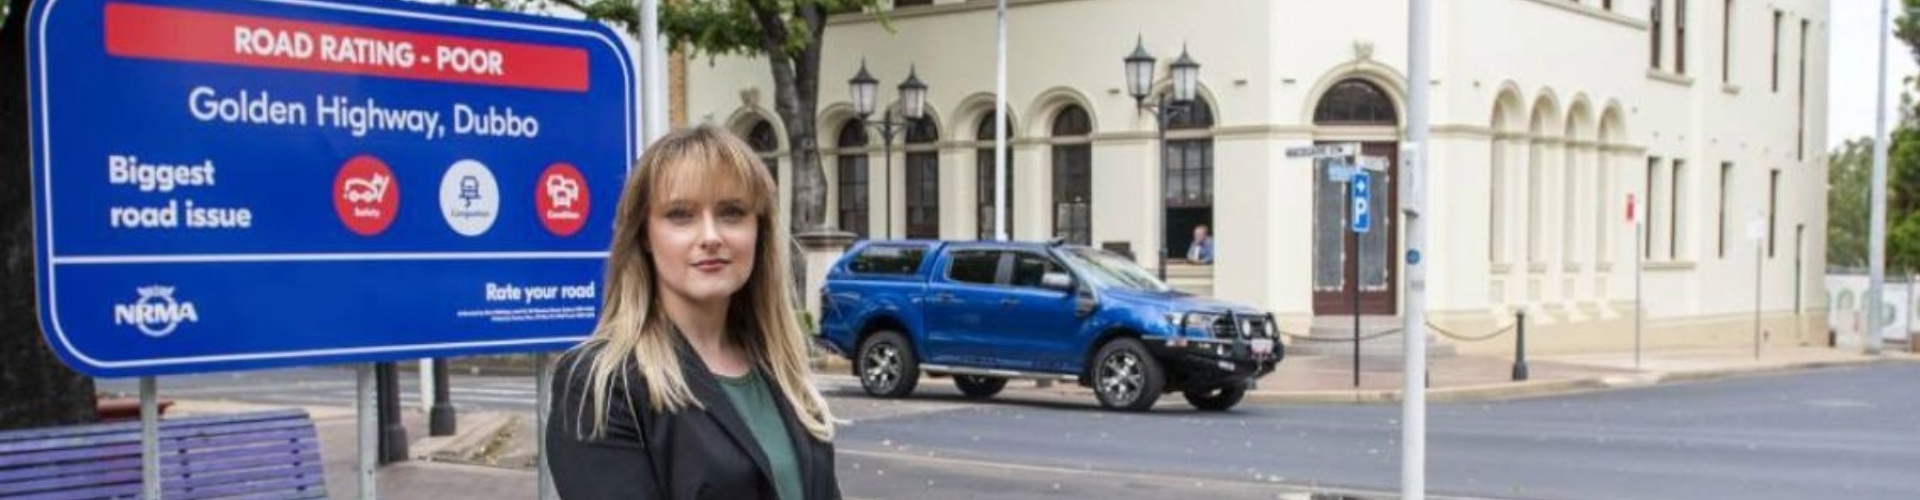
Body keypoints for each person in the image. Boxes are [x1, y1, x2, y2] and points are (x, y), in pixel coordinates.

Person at [547, 125, 840, 499]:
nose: (711, 236)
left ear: (758, 231)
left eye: (732, 212)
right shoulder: (602, 384)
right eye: (680, 214)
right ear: (644, 237)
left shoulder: (779, 369)